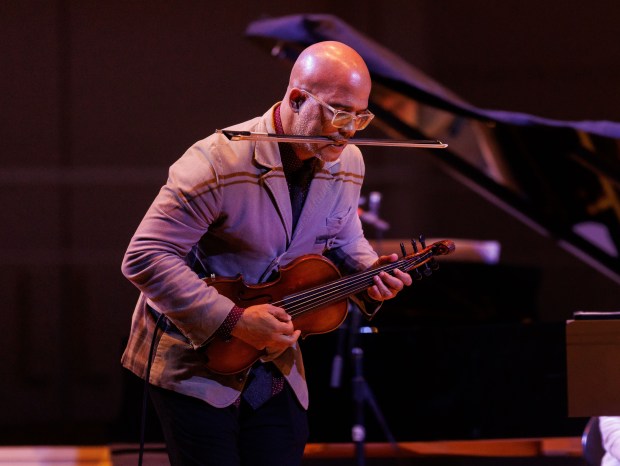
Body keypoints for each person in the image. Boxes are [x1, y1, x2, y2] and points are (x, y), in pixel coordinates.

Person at [120, 40, 413, 466]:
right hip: (196, 363)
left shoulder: (348, 162)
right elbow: (145, 256)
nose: (351, 130)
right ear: (297, 99)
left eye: (361, 117)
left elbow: (345, 238)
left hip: (276, 363)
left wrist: (372, 275)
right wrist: (234, 320)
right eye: (339, 113)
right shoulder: (216, 161)